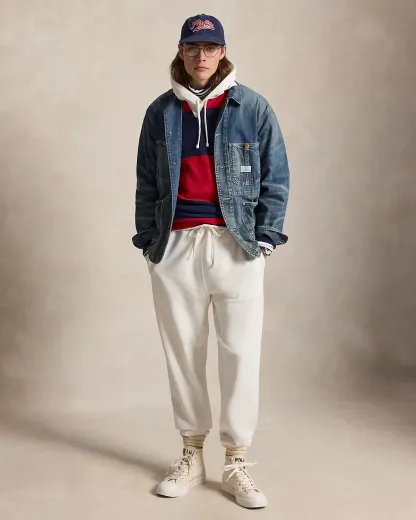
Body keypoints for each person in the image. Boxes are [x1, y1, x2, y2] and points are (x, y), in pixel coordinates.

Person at [132, 13, 290, 509]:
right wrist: (149, 244)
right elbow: (146, 181)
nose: (201, 57)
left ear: (223, 52)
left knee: (240, 352)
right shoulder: (161, 112)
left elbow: (276, 176)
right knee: (182, 350)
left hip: (235, 243)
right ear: (181, 51)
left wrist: (264, 239)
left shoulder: (252, 107)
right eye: (192, 47)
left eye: (210, 48)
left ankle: (237, 460)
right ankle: (191, 454)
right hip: (176, 244)